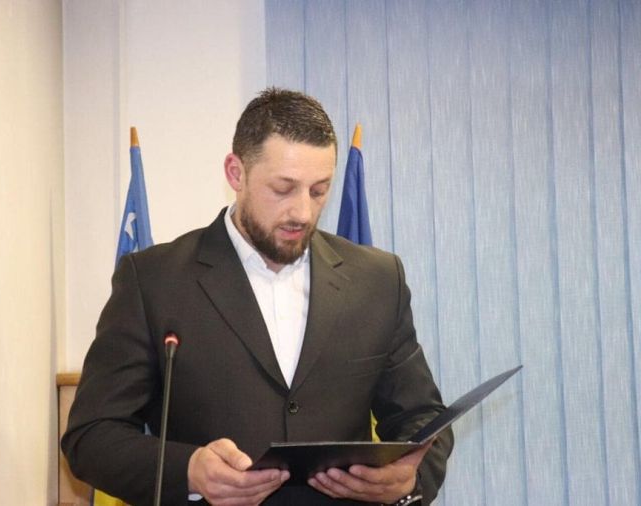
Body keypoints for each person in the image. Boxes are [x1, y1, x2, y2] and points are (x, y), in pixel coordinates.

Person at [62, 88, 453, 506]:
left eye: (319, 190)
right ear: (236, 173)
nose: (303, 212)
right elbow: (92, 436)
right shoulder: (154, 281)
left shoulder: (378, 280)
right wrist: (189, 469)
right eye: (283, 188)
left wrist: (408, 480)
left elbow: (424, 417)